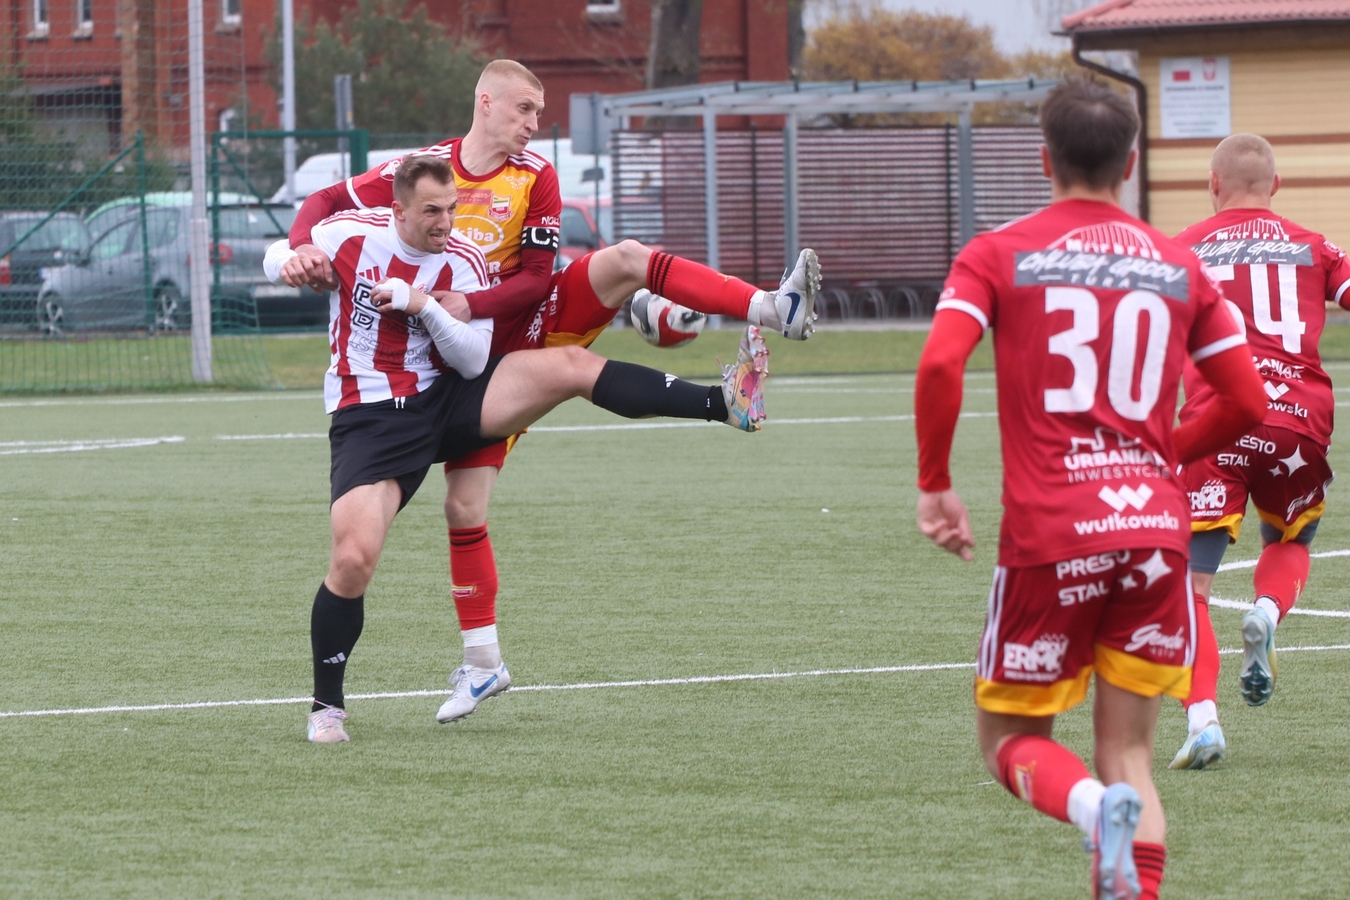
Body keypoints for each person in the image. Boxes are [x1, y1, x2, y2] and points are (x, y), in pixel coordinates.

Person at [279, 58, 820, 725]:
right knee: (463, 505)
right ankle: (481, 663)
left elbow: (538, 280)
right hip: (468, 364)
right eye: (525, 108)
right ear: (485, 102)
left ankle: (769, 308)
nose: (536, 122)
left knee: (622, 263)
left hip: (521, 324)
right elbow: (324, 203)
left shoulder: (535, 176)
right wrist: (300, 249)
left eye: (539, 111)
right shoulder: (425, 172)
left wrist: (467, 303)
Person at [913, 78, 1266, 900]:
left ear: (1044, 160)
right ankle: (1118, 824)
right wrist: (1163, 457)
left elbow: (938, 363)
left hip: (1052, 533)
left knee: (1009, 740)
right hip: (1155, 534)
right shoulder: (1179, 264)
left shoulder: (997, 253)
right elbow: (1246, 401)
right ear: (1131, 164)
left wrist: (936, 483)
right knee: (1131, 754)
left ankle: (1088, 808)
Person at [1167, 134, 1350, 770]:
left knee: (1190, 587)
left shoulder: (1181, 248)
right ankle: (1267, 612)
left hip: (1216, 424)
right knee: (1292, 539)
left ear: (1213, 184)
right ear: (1276, 185)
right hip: (1297, 424)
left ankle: (1203, 722)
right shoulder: (1316, 246)